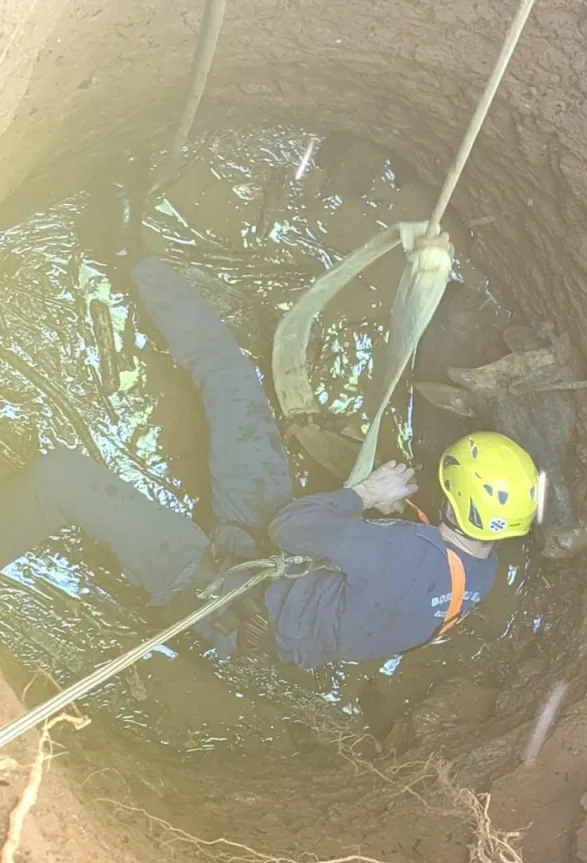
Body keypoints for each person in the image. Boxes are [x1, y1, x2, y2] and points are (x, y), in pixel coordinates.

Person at [0, 160, 541, 671]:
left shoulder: (401, 553)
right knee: (232, 380)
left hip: (228, 602)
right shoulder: (481, 570)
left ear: (451, 496)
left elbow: (292, 528)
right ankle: (128, 254)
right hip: (278, 567)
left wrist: (364, 495)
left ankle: (126, 255)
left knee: (59, 478)